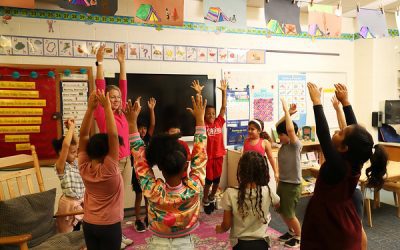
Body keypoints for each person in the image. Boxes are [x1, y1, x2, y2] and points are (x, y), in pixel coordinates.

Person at [301, 83, 387, 249]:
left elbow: (323, 134)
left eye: (340, 133)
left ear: (344, 147)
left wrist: (317, 103)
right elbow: (355, 132)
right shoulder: (356, 159)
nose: (336, 132)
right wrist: (346, 103)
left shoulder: (338, 165)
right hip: (344, 214)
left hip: (328, 218)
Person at [127, 93, 207, 249]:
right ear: (186, 166)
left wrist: (131, 123)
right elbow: (200, 156)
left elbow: (140, 163)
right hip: (185, 244)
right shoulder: (194, 187)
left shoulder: (153, 191)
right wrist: (200, 119)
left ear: (160, 168)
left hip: (159, 244)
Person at [94, 44, 133, 248]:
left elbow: (124, 87)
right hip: (113, 162)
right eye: (113, 97)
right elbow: (100, 86)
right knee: (112, 202)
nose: (117, 100)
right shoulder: (102, 113)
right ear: (105, 99)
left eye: (119, 97)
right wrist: (100, 63)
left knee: (121, 201)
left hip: (126, 161)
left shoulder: (122, 113)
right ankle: (113, 238)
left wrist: (122, 63)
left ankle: (118, 235)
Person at [79, 90, 124, 250]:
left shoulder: (83, 166)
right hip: (109, 226)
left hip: (89, 224)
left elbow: (83, 135)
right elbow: (113, 135)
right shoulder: (109, 169)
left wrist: (91, 109)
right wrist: (106, 108)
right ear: (108, 152)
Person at [216, 151, 280, 250]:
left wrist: (219, 229)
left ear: (241, 171)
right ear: (262, 171)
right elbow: (278, 205)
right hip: (262, 243)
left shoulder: (230, 193)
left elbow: (226, 225)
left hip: (240, 244)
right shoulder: (267, 190)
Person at [331, 95, 368, 250]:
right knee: (346, 231)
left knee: (357, 229)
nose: (339, 132)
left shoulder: (350, 157)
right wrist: (339, 108)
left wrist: (345, 104)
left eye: (342, 133)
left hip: (352, 194)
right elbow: (344, 126)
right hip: (344, 195)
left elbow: (347, 126)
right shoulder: (347, 151)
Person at [192, 79, 227, 214]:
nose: (211, 115)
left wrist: (224, 92)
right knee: (208, 180)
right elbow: (199, 108)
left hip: (218, 156)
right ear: (204, 115)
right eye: (208, 114)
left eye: (213, 113)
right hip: (208, 157)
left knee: (217, 180)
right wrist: (199, 93)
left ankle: (212, 197)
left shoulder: (219, 122)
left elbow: (223, 108)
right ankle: (205, 198)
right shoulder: (204, 125)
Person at [275, 99, 302, 248]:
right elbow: (278, 127)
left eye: (281, 135)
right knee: (281, 210)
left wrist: (286, 112)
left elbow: (290, 131)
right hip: (284, 183)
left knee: (290, 213)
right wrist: (288, 114)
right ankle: (291, 232)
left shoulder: (295, 145)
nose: (279, 137)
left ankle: (299, 236)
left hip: (293, 185)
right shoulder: (284, 144)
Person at [52, 118, 84, 233]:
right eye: (73, 152)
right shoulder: (61, 166)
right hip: (68, 204)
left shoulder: (75, 163)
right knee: (67, 231)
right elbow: (66, 145)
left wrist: (72, 129)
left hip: (80, 201)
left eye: (76, 152)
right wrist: (70, 128)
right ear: (61, 153)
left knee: (80, 230)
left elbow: (77, 144)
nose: (76, 154)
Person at [131, 97, 156, 232]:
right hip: (136, 173)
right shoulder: (134, 140)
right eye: (140, 129)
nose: (143, 131)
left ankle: (148, 217)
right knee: (139, 196)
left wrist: (152, 109)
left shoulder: (147, 138)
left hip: (148, 172)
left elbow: (152, 125)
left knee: (148, 196)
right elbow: (132, 124)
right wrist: (135, 112)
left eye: (144, 129)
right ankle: (137, 220)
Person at [242, 118, 278, 193]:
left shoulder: (265, 142)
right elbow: (243, 157)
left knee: (260, 190)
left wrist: (276, 172)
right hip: (248, 171)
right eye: (248, 129)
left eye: (252, 129)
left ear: (259, 131)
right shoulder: (246, 141)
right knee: (249, 191)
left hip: (260, 171)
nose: (249, 131)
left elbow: (271, 158)